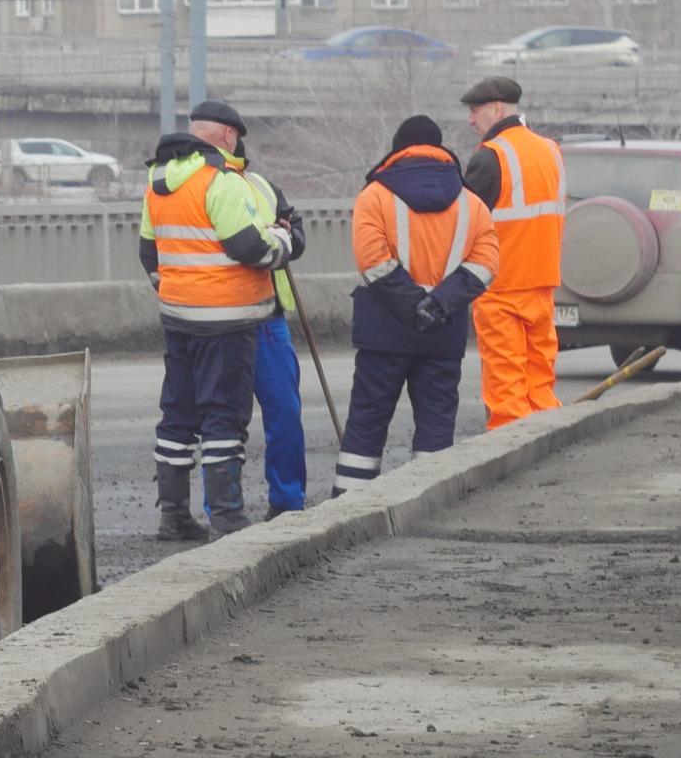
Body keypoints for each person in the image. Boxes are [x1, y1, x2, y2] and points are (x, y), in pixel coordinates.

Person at [138, 98, 298, 541]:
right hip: (227, 321)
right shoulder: (220, 181)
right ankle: (227, 518)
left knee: (177, 415)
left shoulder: (158, 183)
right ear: (229, 136)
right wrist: (284, 242)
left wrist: (179, 288)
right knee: (223, 418)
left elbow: (149, 253)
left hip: (178, 318)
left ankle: (174, 517)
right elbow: (251, 248)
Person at [336, 114, 501, 490]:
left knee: (367, 423)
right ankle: (432, 501)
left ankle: (348, 505)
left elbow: (372, 260)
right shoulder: (472, 203)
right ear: (440, 150)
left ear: (398, 149)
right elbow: (488, 263)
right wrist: (438, 304)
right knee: (436, 426)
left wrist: (412, 305)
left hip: (383, 333)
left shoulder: (374, 196)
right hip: (442, 334)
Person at [213, 114, 311, 519]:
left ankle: (287, 503)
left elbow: (298, 235)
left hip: (268, 318)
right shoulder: (205, 188)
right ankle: (226, 509)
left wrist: (286, 236)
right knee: (225, 416)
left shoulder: (264, 187)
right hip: (224, 319)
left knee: (283, 411)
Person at [457, 75, 566, 427]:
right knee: (540, 385)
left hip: (502, 287)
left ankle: (512, 465)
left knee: (506, 392)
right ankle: (547, 450)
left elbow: (464, 226)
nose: (471, 120)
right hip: (543, 282)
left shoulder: (491, 157)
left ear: (497, 108)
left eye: (475, 111)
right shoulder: (550, 150)